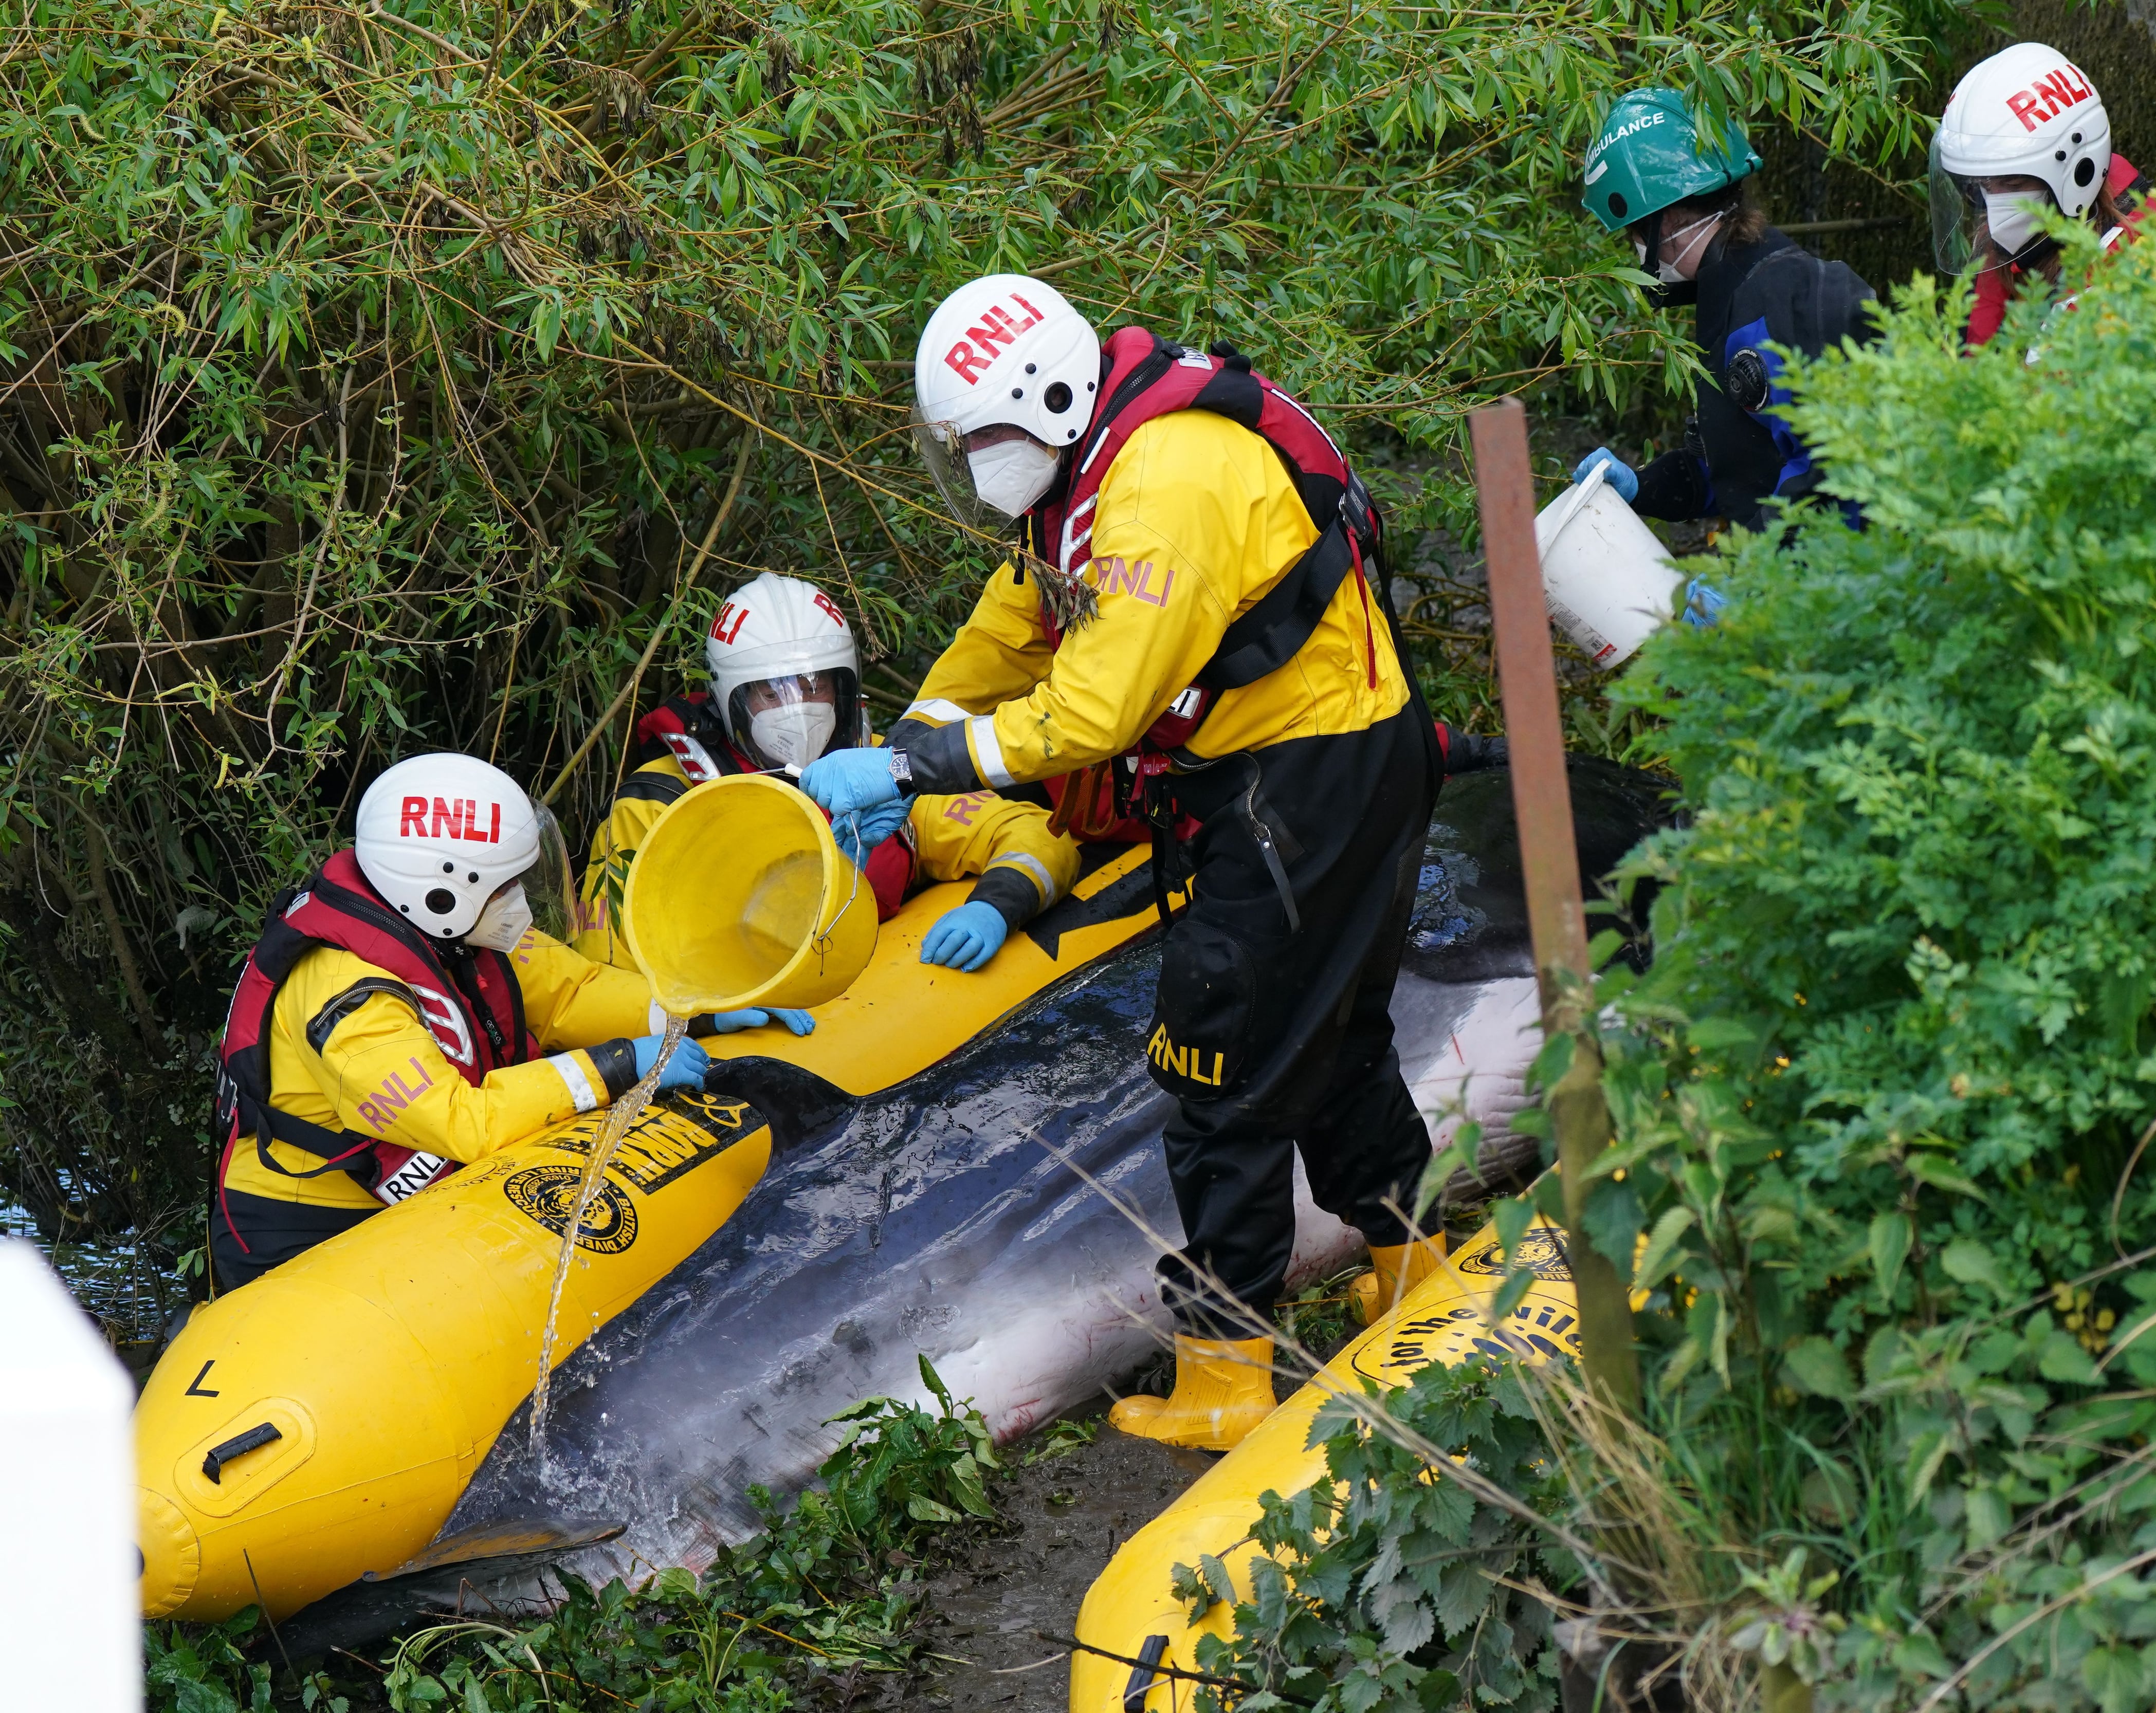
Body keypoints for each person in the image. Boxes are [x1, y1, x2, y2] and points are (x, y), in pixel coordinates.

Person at [802, 273, 1452, 1450]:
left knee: (1220, 1072)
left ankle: (1225, 1374)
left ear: (1046, 398)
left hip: (1304, 778)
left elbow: (1095, 712)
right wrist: (903, 734)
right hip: (1316, 766)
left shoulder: (1163, 484)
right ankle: (1412, 1268)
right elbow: (1011, 627)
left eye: (982, 442)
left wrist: (915, 775)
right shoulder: (1089, 465)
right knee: (1333, 1039)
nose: (976, 466)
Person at [207, 753, 807, 1291]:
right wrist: (618, 1065)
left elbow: (573, 992)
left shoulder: (455, 932)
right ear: (440, 893)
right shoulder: (347, 1001)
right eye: (508, 886)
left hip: (405, 1197)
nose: (520, 901)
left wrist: (697, 1008)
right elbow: (460, 1120)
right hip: (306, 1228)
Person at [573, 571, 1080, 975]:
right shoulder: (656, 805)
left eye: (814, 688)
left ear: (844, 689)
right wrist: (703, 1015)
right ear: (733, 699)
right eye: (771, 694)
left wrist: (995, 906)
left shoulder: (882, 774)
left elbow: (1037, 835)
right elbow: (608, 961)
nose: (797, 710)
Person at [1575, 87, 1877, 541]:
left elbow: (1837, 470)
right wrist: (1642, 488)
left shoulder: (1785, 297)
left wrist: (1755, 576)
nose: (1637, 252)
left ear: (1667, 221)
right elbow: (1732, 470)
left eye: (1634, 236)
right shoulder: (1731, 297)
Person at [1928, 43, 2155, 346]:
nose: (1993, 204)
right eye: (1981, 182)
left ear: (2079, 172)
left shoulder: (2137, 272)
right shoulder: (2015, 250)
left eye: (2012, 184)